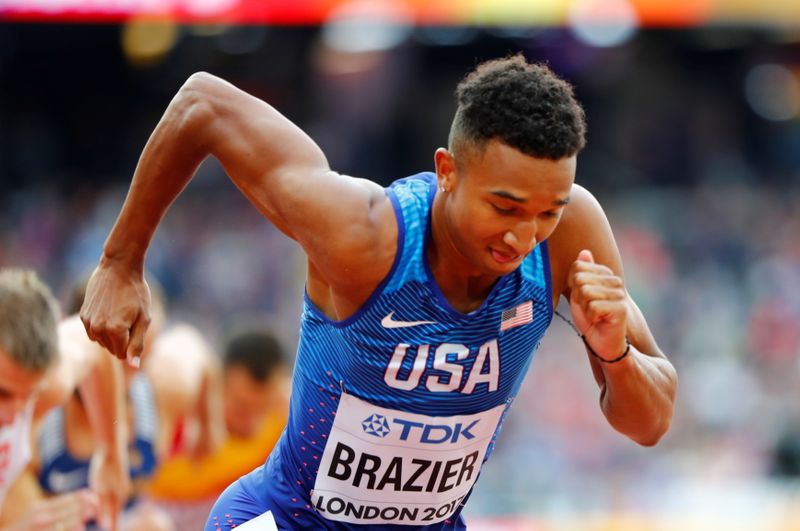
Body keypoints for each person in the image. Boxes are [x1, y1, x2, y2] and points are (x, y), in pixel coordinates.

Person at [80, 54, 678, 529]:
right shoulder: (366, 235)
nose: (523, 235)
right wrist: (121, 261)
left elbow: (649, 424)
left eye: (548, 210)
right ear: (447, 171)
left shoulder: (569, 235)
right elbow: (204, 102)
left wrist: (614, 353)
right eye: (504, 206)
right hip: (290, 522)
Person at [17, 280, 223, 531]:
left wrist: (207, 426)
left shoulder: (164, 388)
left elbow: (192, 345)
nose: (131, 363)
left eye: (143, 352)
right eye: (118, 351)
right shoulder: (36, 417)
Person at [0, 269, 129, 530]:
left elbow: (93, 345)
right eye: (2, 394)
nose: (14, 415)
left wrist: (111, 454)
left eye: (30, 394)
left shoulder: (46, 383)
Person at [147, 325, 291, 529]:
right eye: (242, 407)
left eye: (263, 408)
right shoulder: (181, 412)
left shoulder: (282, 416)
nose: (253, 421)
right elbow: (182, 342)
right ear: (217, 382)